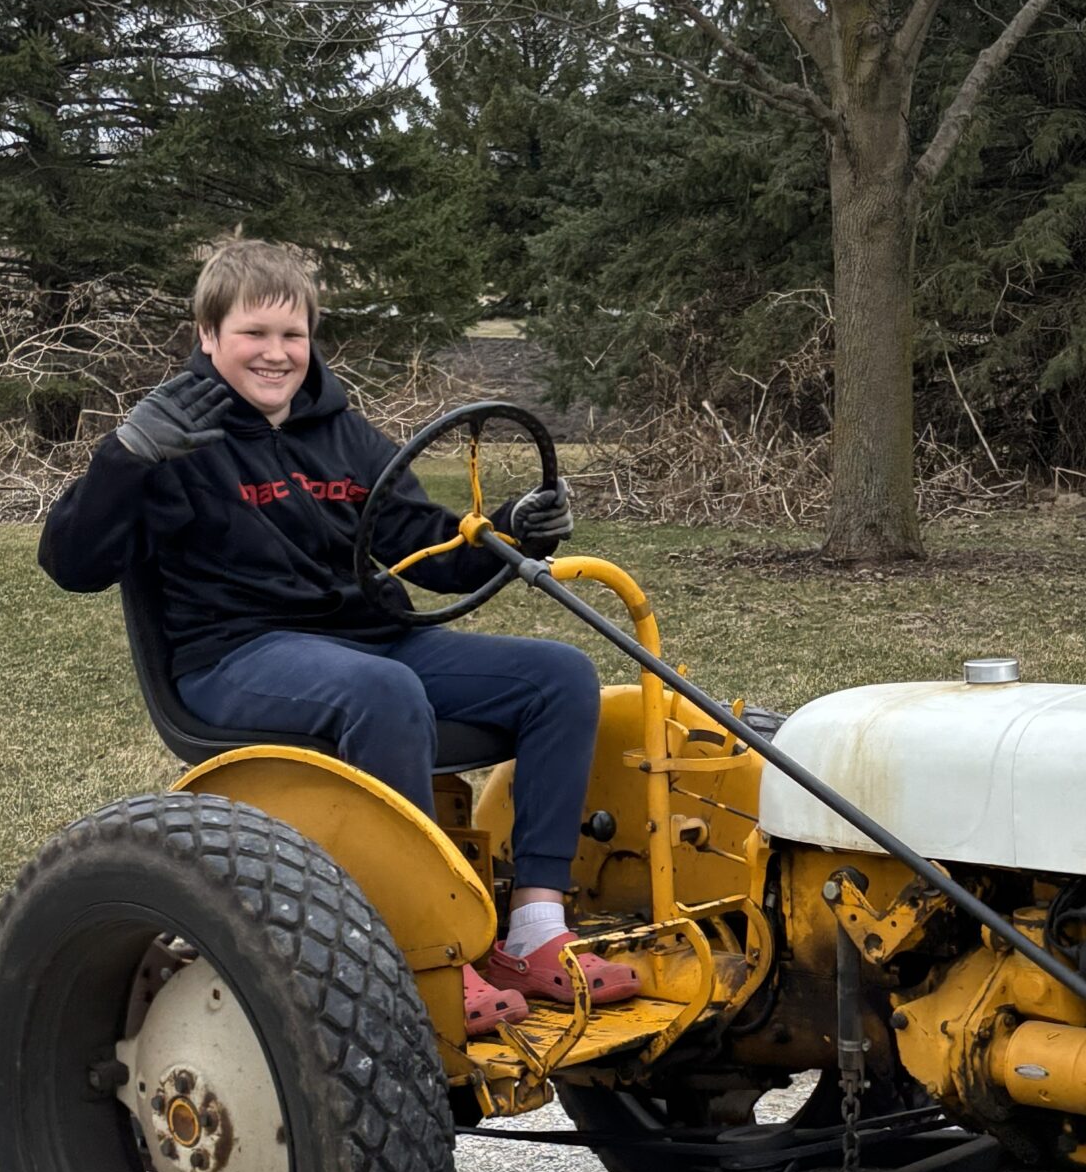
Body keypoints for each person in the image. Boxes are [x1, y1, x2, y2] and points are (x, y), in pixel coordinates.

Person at [38, 238, 637, 1035]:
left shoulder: (345, 434)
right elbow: (71, 564)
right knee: (383, 693)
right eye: (254, 333)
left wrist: (515, 533)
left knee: (558, 676)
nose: (277, 354)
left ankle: (533, 930)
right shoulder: (168, 440)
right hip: (235, 655)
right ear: (208, 335)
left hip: (368, 641)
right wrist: (125, 458)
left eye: (293, 334)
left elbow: (433, 550)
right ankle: (421, 954)